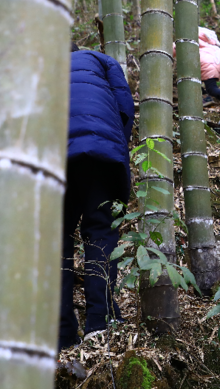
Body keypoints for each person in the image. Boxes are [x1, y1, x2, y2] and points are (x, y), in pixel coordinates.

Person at [60, 44, 135, 351]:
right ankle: (99, 323)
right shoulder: (101, 60)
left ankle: (62, 333)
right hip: (102, 154)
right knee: (100, 233)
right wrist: (117, 148)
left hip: (55, 156)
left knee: (56, 240)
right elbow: (125, 106)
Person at [198, 26, 220, 104]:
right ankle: (206, 98)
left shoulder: (196, 43)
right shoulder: (210, 46)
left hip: (207, 67)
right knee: (205, 85)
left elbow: (174, 48)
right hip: (215, 66)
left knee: (211, 88)